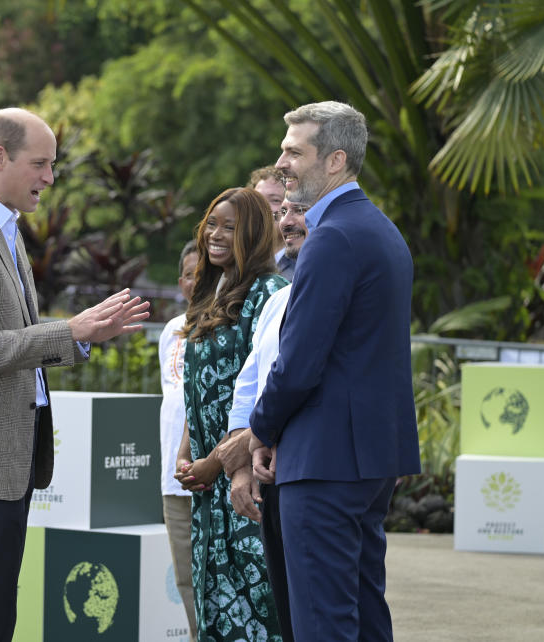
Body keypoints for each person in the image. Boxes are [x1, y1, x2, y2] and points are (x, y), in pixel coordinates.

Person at [0, 106, 150, 642]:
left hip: (1, 460)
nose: (50, 178)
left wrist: (79, 335)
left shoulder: (1, 226)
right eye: (41, 164)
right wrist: (71, 331)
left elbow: (5, 339)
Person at [248, 101, 420, 642]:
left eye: (294, 151)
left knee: (323, 624)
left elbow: (298, 363)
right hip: (365, 460)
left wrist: (260, 429)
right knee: (365, 618)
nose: (282, 163)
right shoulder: (378, 229)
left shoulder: (333, 236)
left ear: (336, 161)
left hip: (324, 462)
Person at [173, 187, 287, 642]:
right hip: (209, 490)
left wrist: (216, 463)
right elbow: (195, 392)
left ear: (255, 235)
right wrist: (187, 457)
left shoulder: (270, 294)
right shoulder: (212, 291)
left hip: (247, 482)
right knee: (214, 613)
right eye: (211, 224)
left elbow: (264, 393)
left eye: (230, 228)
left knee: (256, 614)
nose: (216, 235)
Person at [226, 194, 311, 642]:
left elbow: (304, 378)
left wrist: (262, 438)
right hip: (267, 474)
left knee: (319, 608)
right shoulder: (277, 303)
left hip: (309, 467)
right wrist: (243, 458)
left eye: (300, 212)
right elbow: (249, 385)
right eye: (283, 215)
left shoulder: (310, 295)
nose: (289, 222)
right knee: (287, 608)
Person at [157, 240, 200, 641]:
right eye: (189, 273)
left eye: (203, 271)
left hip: (215, 473)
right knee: (185, 579)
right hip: (175, 478)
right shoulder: (171, 330)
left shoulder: (232, 323)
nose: (195, 280)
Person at [248, 166, 289, 278]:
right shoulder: (240, 262)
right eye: (258, 200)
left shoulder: (302, 265)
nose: (263, 208)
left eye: (275, 200)